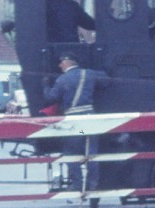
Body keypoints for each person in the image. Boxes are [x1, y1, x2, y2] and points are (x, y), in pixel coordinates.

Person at [42, 53, 111, 195]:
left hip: (75, 123)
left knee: (71, 152)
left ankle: (77, 183)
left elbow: (51, 98)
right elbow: (107, 80)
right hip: (90, 119)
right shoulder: (89, 74)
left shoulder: (62, 79)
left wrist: (45, 86)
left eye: (62, 62)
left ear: (67, 62)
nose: (60, 65)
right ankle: (94, 184)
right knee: (91, 152)